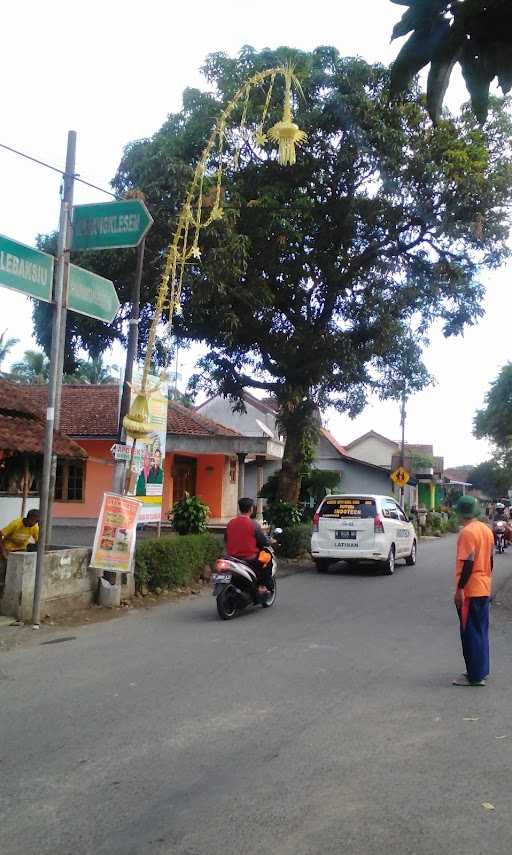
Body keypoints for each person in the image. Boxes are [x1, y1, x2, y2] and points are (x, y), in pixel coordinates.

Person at [452, 496, 494, 687]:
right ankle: (480, 670)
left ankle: (475, 676)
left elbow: (468, 562)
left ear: (461, 513)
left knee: (470, 632)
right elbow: (490, 560)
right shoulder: (486, 530)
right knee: (480, 630)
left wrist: (460, 589)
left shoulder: (467, 533)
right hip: (484, 585)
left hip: (471, 589)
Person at [225, 497, 272, 593]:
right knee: (267, 559)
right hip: (249, 558)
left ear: (239, 509)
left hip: (232, 557)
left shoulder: (230, 523)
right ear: (251, 509)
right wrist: (270, 541)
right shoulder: (253, 524)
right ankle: (262, 586)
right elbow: (263, 541)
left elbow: (226, 539)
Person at [0, 509, 40, 593]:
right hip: (8, 550)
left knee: (20, 574)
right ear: (30, 518)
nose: (36, 523)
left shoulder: (34, 528)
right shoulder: (16, 524)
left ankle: (14, 591)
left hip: (21, 550)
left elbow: (39, 542)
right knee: (3, 572)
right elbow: (0, 535)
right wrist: (3, 551)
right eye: (35, 521)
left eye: (37, 522)